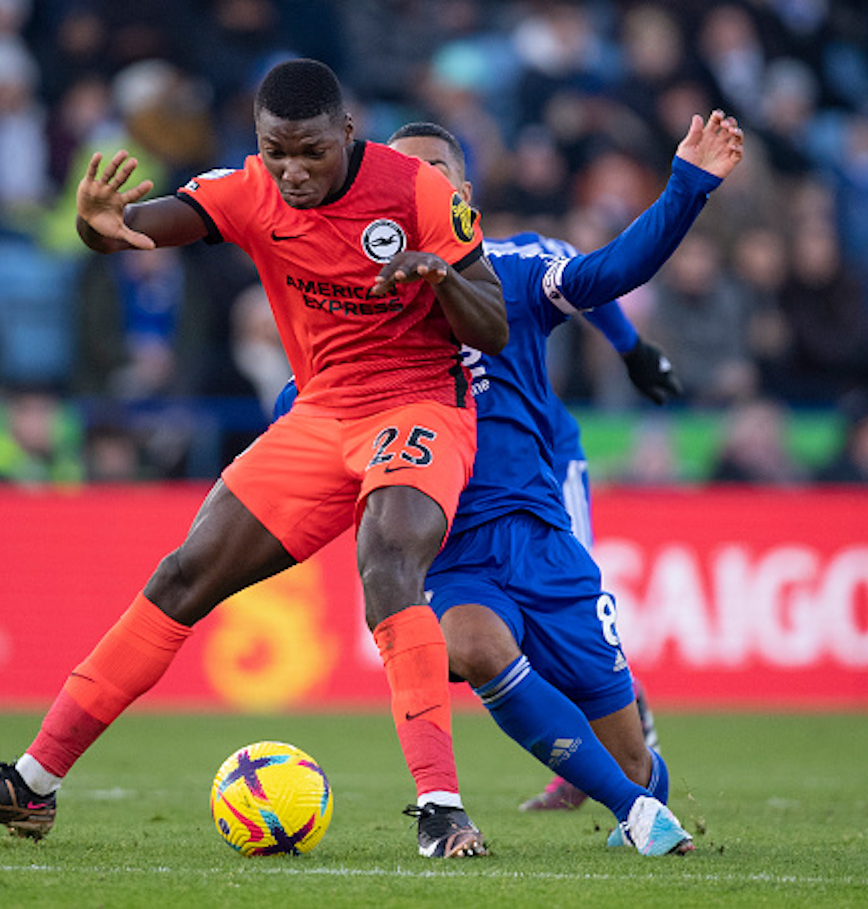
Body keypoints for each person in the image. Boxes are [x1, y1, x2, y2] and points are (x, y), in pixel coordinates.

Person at [0, 58, 508, 859]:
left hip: (417, 406)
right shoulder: (248, 188)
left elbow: (493, 327)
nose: (293, 172)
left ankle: (440, 805)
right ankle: (33, 782)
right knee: (182, 575)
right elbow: (133, 227)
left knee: (388, 553)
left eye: (311, 153)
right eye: (276, 151)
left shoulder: (418, 194)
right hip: (321, 413)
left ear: (347, 134)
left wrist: (440, 276)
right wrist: (99, 223)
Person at [282, 111, 741, 854]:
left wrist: (688, 186)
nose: (417, 185)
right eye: (403, 174)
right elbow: (302, 417)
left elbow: (612, 271)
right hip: (452, 551)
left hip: (543, 543)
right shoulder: (357, 308)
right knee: (470, 641)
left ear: (467, 202)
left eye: (436, 172)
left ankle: (637, 795)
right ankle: (636, 811)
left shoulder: (516, 275)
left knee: (636, 763)